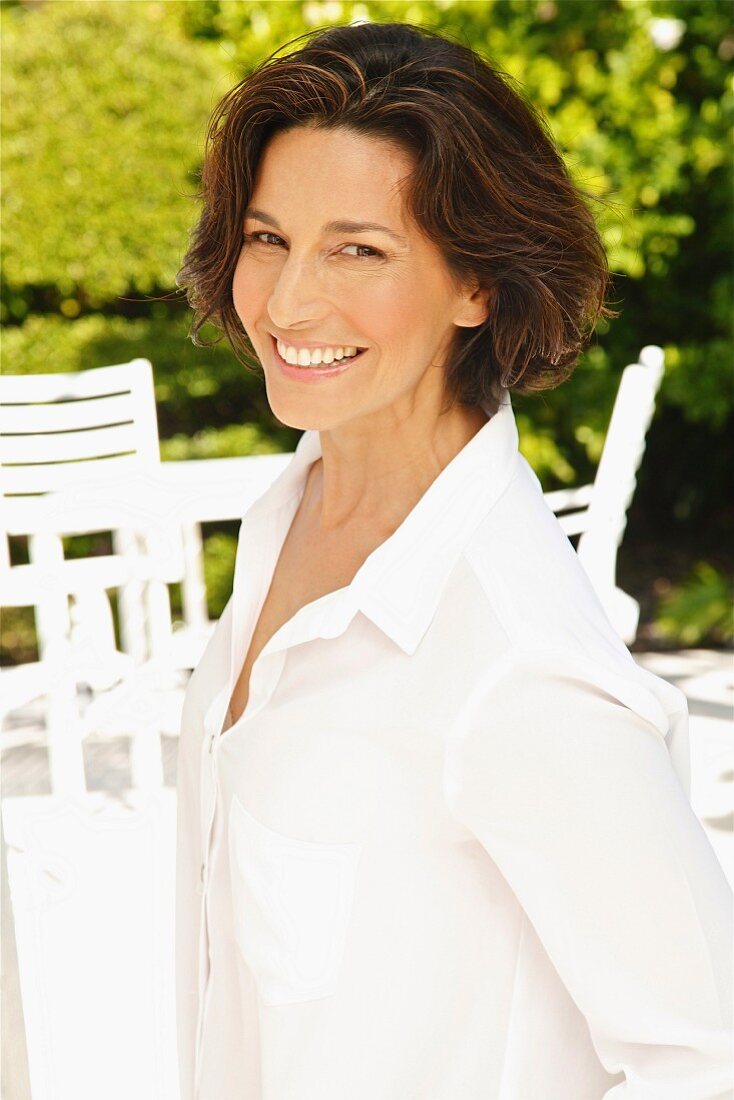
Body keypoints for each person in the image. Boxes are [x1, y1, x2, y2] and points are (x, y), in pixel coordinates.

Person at [174, 20, 732, 1100]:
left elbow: (708, 1050)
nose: (287, 303)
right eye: (266, 237)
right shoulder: (283, 517)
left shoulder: (512, 657)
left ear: (475, 283)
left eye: (357, 249)